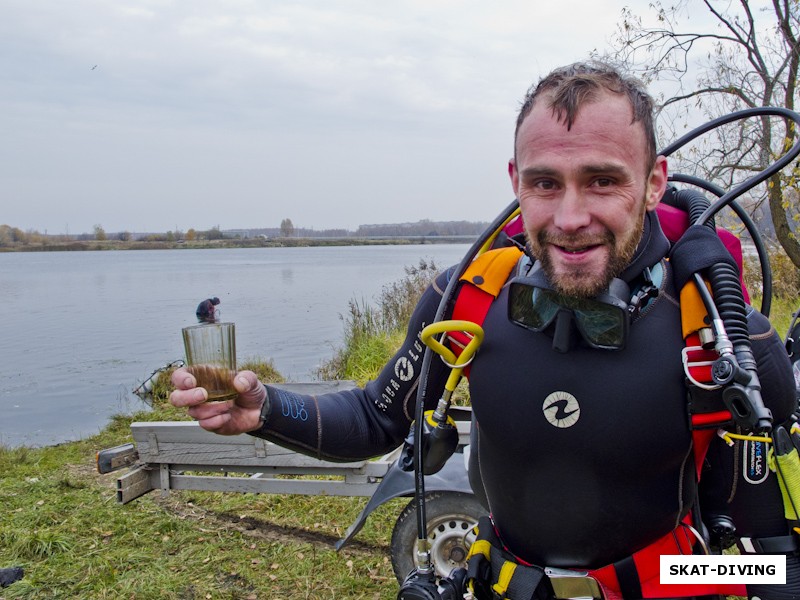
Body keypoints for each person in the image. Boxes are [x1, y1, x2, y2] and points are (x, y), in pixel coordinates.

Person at [171, 62, 798, 599]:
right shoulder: (465, 299)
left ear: (654, 181)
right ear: (514, 183)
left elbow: (769, 553)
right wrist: (264, 410)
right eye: (545, 183)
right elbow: (374, 419)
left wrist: (701, 578)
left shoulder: (719, 331)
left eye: (603, 180)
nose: (571, 216)